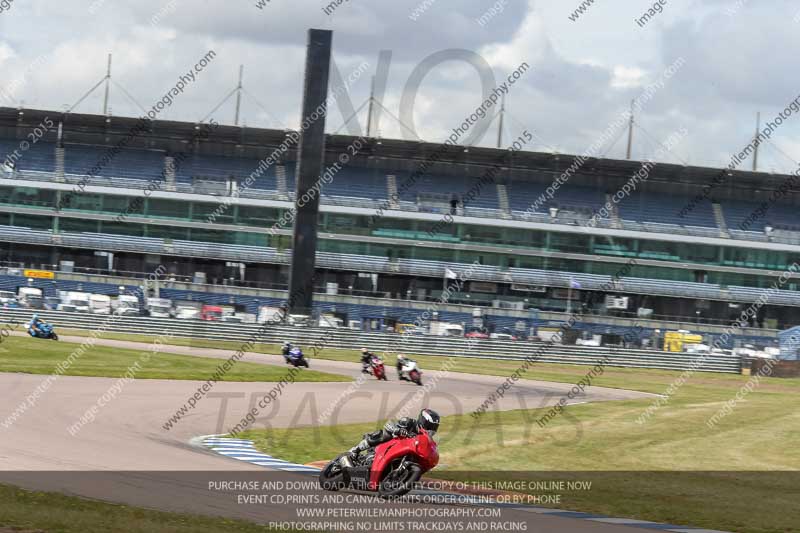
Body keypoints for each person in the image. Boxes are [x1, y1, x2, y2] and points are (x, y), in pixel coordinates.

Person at [344, 409, 441, 466]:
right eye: (429, 426)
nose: (431, 430)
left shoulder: (424, 439)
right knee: (384, 434)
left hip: (399, 453)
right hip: (386, 445)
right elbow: (389, 424)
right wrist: (398, 430)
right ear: (422, 421)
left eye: (433, 427)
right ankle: (355, 450)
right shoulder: (408, 422)